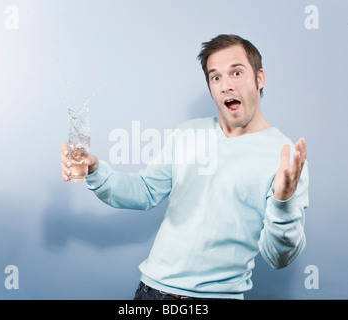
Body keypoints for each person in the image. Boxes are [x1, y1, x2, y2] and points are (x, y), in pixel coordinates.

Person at [60, 34, 309, 300]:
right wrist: (96, 171)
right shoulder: (188, 133)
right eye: (216, 77)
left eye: (236, 72)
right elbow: (144, 191)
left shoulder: (286, 159)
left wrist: (283, 202)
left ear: (259, 78)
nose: (226, 85)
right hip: (150, 292)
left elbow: (278, 258)